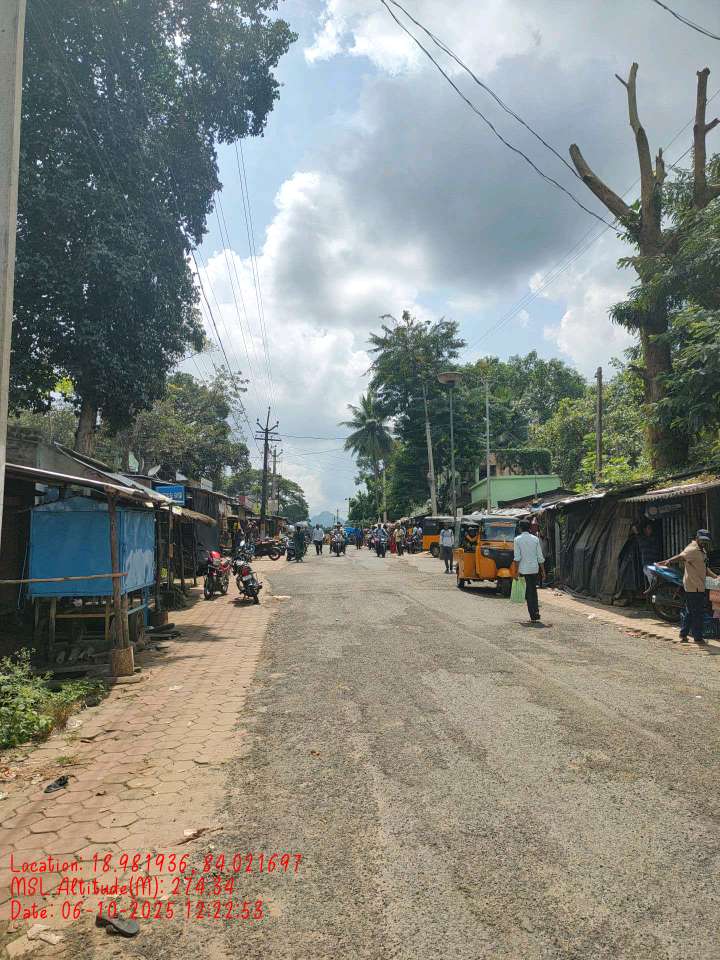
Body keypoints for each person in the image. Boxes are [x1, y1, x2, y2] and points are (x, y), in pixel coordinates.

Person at [660, 529, 717, 644]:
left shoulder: (702, 551)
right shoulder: (692, 549)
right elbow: (681, 556)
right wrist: (668, 561)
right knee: (697, 612)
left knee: (691, 611)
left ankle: (683, 634)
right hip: (693, 586)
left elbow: (704, 568)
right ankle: (697, 637)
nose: (704, 542)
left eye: (705, 540)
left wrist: (715, 576)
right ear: (697, 538)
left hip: (699, 585)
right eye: (702, 540)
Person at [513, 519, 546, 623]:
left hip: (523, 570)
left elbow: (517, 558)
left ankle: (533, 615)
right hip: (534, 569)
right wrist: (543, 571)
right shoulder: (535, 539)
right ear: (529, 528)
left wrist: (516, 572)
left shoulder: (517, 540)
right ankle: (535, 612)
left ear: (520, 528)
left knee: (528, 593)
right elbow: (540, 557)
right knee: (533, 591)